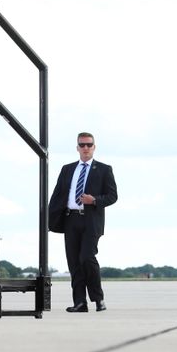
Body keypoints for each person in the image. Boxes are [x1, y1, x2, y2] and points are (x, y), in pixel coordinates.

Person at [48, 132, 118, 312]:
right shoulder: (67, 169)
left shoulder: (104, 169)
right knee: (74, 262)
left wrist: (94, 200)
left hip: (91, 220)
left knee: (87, 257)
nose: (86, 148)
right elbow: (57, 195)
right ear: (77, 147)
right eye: (82, 145)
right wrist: (50, 218)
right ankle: (80, 302)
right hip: (71, 219)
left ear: (94, 147)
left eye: (89, 145)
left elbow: (112, 196)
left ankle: (98, 299)